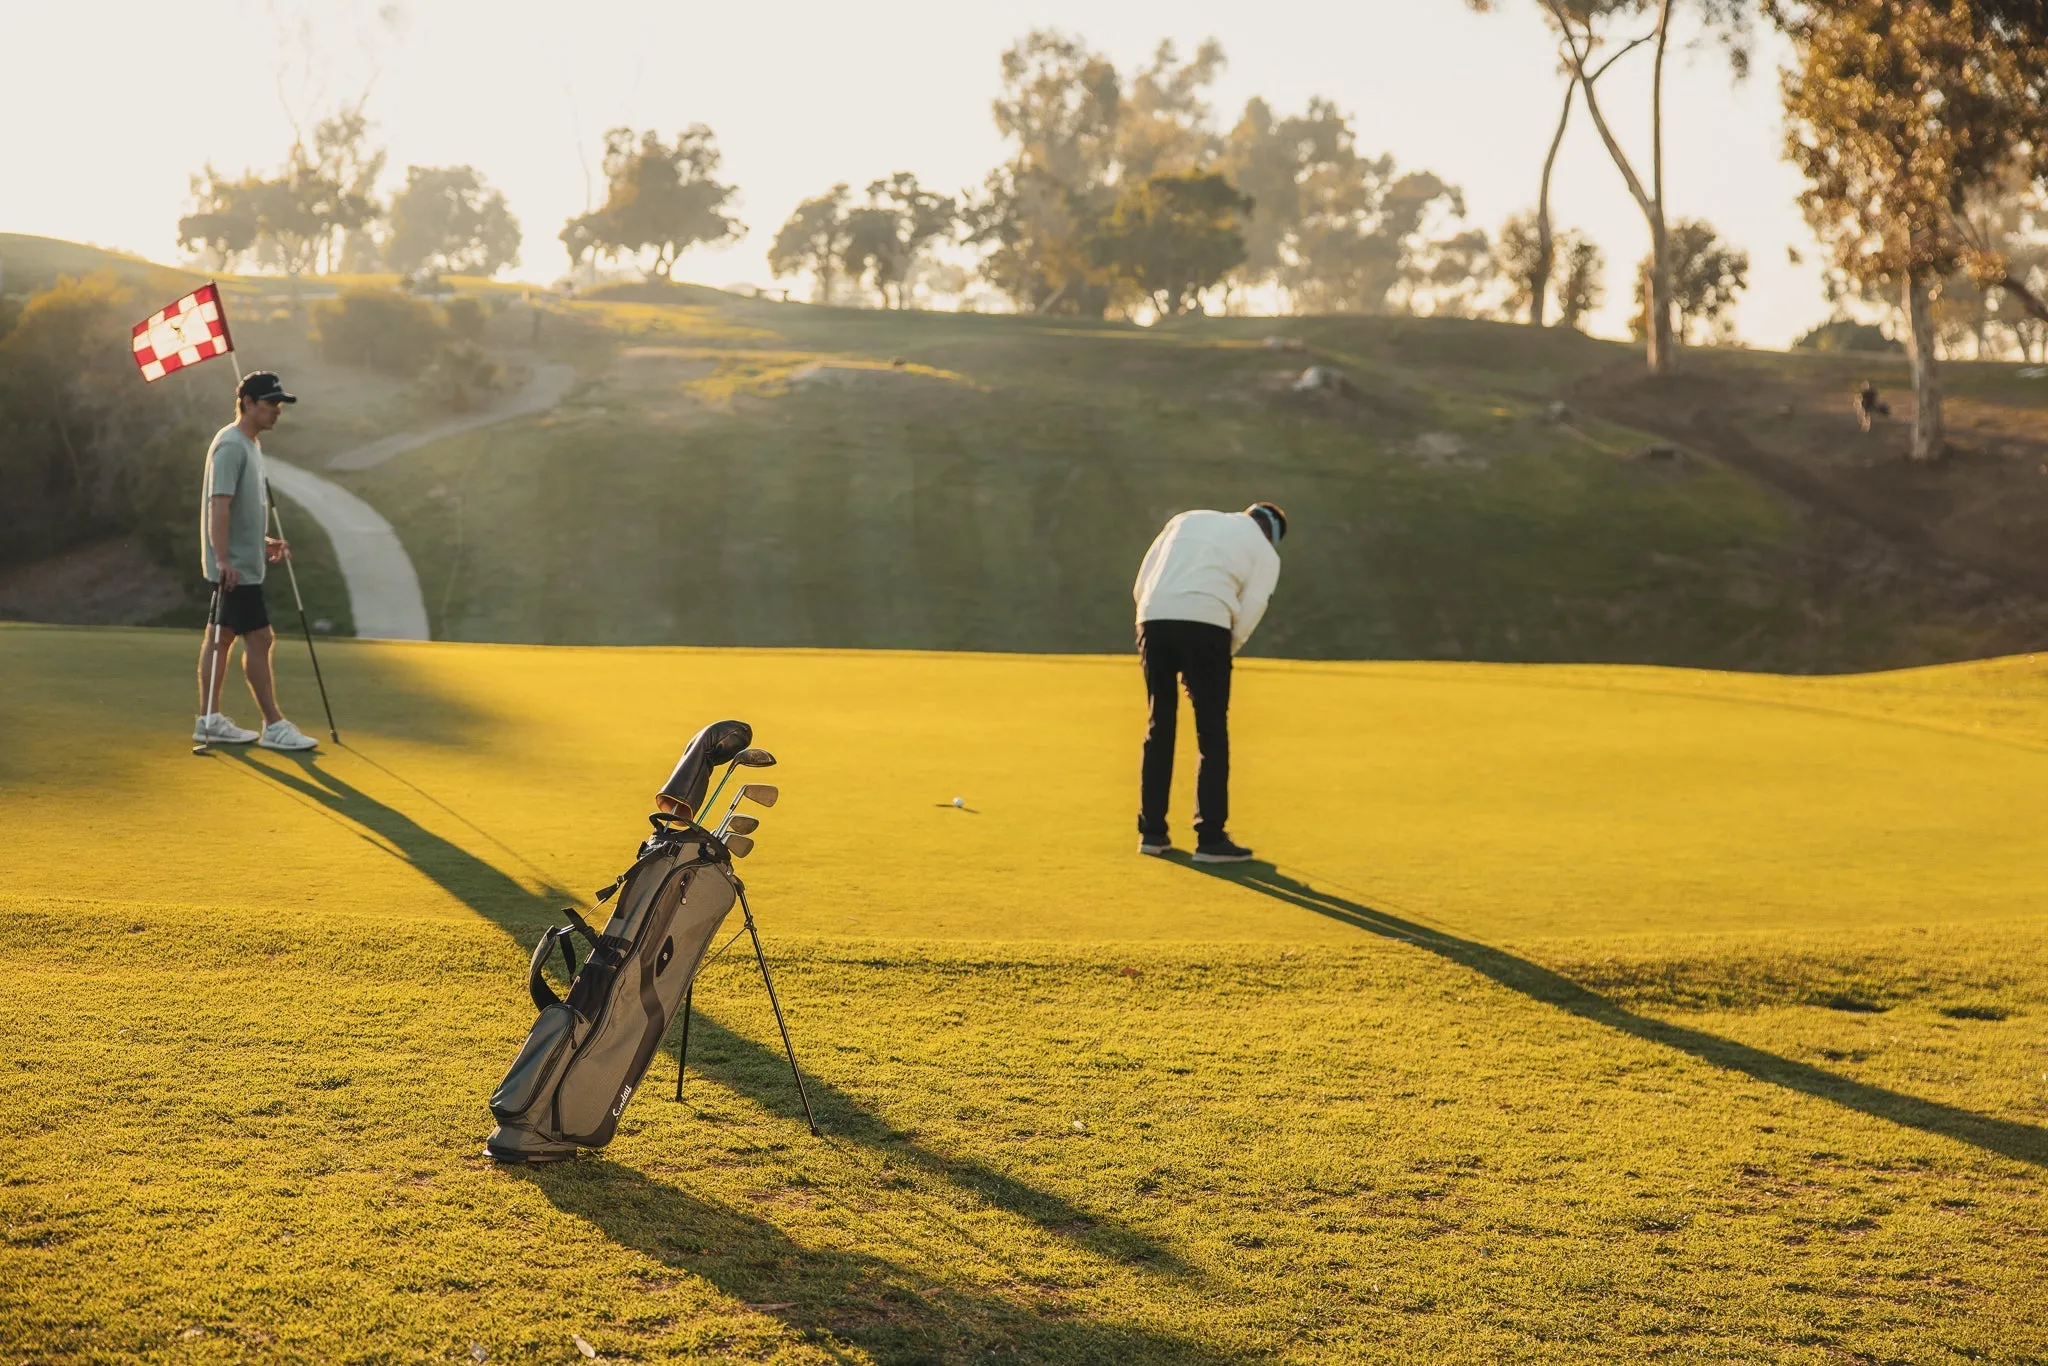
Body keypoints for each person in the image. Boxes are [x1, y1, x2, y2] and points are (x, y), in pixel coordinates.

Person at [1131, 502, 1286, 863]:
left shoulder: (1187, 518)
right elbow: (1253, 604)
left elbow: (1143, 580)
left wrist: (1152, 619)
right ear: (1272, 534)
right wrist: (1221, 654)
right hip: (1208, 623)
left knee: (1160, 725)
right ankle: (1210, 838)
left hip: (1153, 617)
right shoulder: (1265, 551)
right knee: (1211, 732)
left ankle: (1152, 833)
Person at [192, 372, 319, 752]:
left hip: (241, 562)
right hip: (235, 569)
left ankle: (209, 719)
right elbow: (220, 506)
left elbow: (239, 511)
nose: (277, 411)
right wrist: (225, 559)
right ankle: (274, 725)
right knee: (260, 638)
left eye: (279, 404)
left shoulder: (249, 445)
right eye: (270, 404)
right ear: (247, 402)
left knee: (222, 637)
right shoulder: (231, 446)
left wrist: (260, 542)